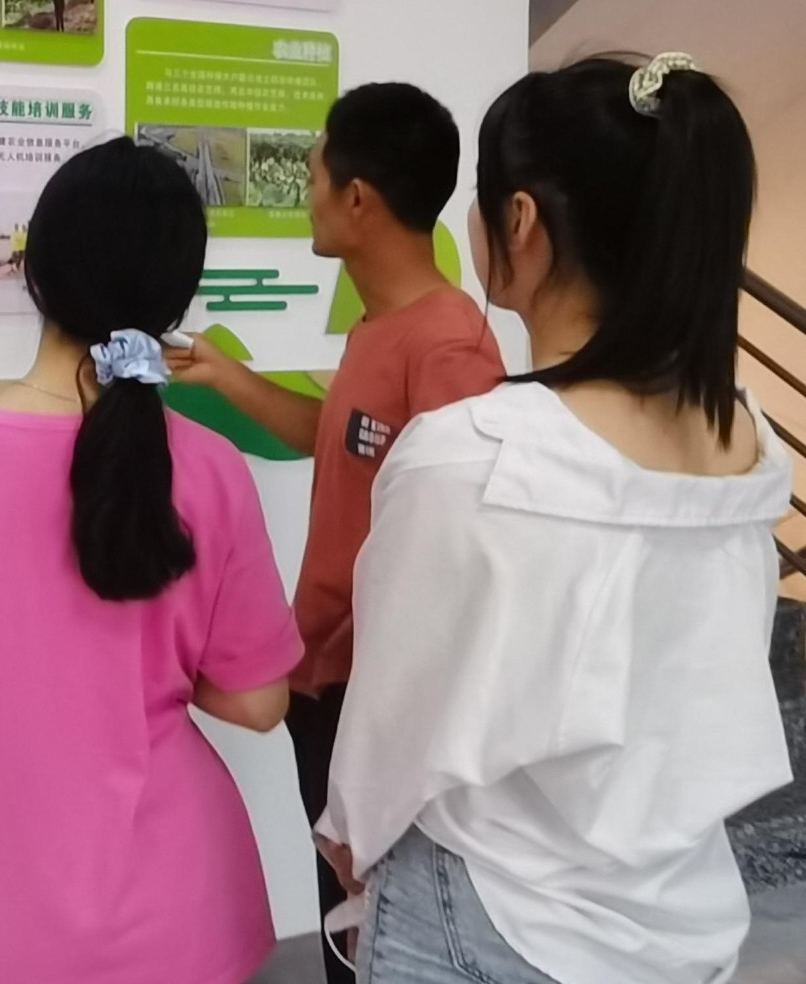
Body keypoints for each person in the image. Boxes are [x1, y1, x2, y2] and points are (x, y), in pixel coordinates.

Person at [316, 55, 794, 984]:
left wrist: (349, 831)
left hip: (492, 910)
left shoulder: (472, 454)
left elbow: (394, 712)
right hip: (679, 916)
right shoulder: (746, 436)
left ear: (521, 223)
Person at [0, 136, 305, 984]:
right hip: (181, 916)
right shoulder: (209, 467)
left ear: (35, 273)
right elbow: (259, 701)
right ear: (175, 299)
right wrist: (160, 665)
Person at [166, 83, 505, 984]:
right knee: (343, 923)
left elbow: (458, 548)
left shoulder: (450, 349)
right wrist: (226, 377)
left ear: (357, 198)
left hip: (376, 695)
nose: (307, 195)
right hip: (324, 680)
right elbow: (344, 443)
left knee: (377, 929)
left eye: (315, 175)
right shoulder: (380, 329)